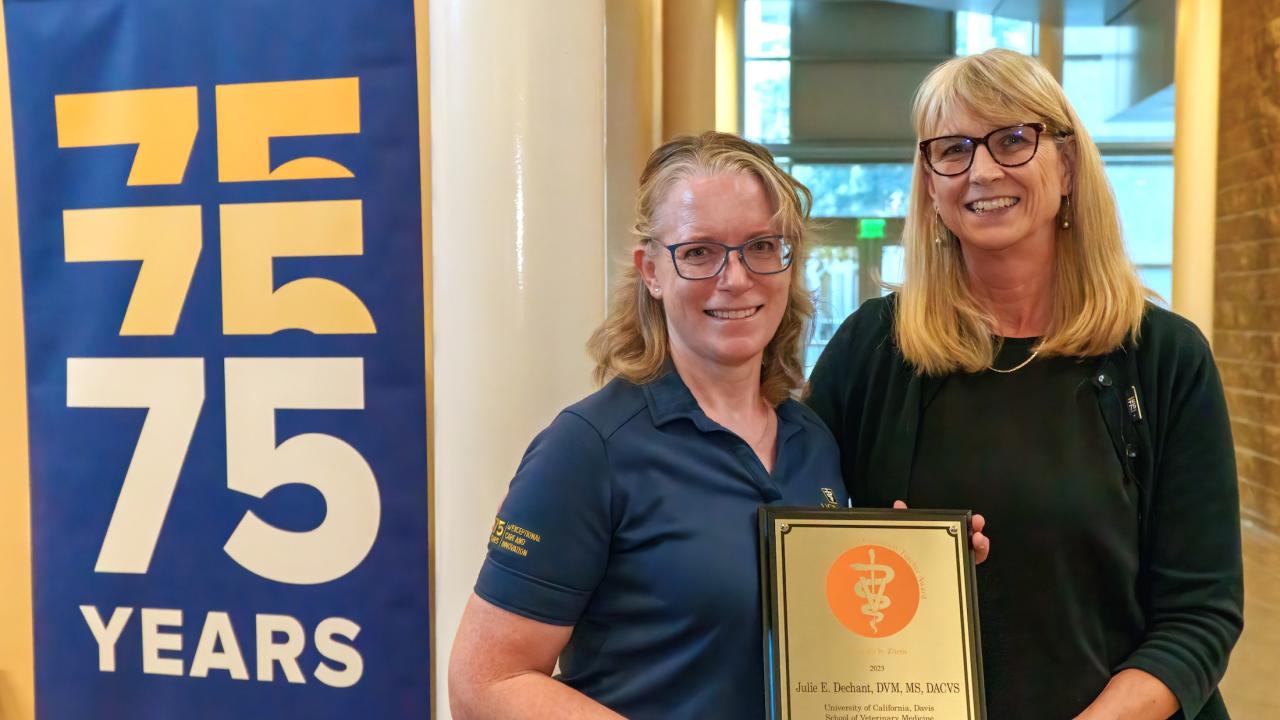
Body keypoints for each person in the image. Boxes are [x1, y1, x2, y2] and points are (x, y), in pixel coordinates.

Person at [806, 49, 1243, 720]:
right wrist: (867, 552)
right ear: (929, 184)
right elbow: (798, 547)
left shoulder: (1164, 358)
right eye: (952, 149)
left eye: (1012, 140)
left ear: (1066, 166)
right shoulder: (871, 351)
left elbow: (1200, 615)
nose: (982, 170)